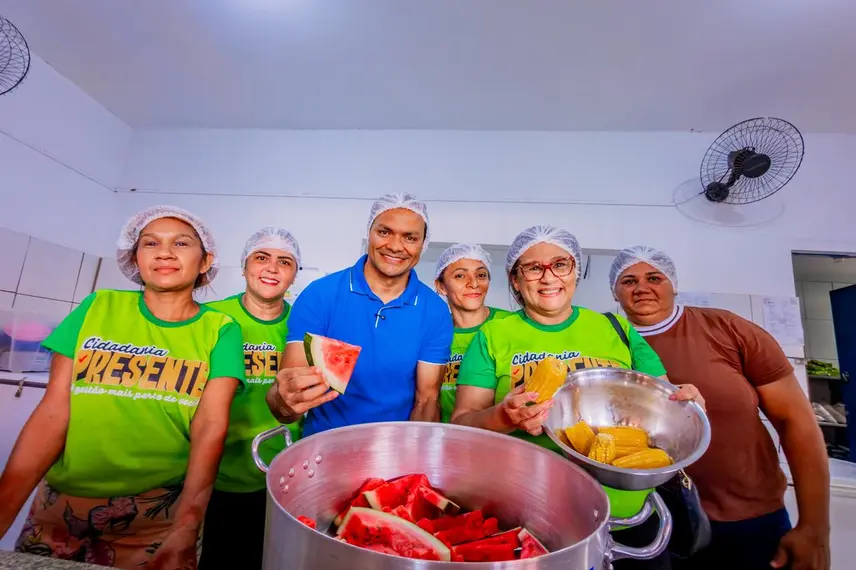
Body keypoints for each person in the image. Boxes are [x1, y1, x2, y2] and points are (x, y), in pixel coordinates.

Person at [0, 206, 245, 570]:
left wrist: (186, 526)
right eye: (150, 243)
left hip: (158, 515)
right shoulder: (98, 306)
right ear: (135, 257)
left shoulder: (221, 329)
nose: (164, 252)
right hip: (59, 506)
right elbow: (52, 413)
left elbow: (210, 428)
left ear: (205, 260)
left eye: (181, 242)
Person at [452, 225, 703, 570]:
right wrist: (504, 416)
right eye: (533, 267)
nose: (548, 277)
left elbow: (664, 402)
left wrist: (687, 405)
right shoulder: (493, 335)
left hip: (628, 512)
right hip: (531, 513)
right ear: (515, 279)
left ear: (575, 271)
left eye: (560, 264)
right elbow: (462, 422)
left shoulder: (617, 328)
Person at [610, 245, 831, 570]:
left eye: (654, 277)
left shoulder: (727, 329)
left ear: (673, 283)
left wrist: (814, 528)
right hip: (649, 520)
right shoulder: (606, 343)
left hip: (749, 521)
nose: (642, 287)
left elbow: (795, 421)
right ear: (615, 292)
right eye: (628, 281)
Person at [265, 193, 453, 436]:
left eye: (410, 237)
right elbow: (288, 396)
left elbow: (426, 400)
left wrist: (415, 460)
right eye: (384, 232)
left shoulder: (435, 311)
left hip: (395, 450)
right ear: (369, 233)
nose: (395, 246)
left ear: (423, 244)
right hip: (325, 446)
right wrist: (283, 400)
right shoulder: (320, 295)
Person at [199, 227, 303, 570]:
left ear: (294, 274)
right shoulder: (210, 318)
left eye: (284, 262)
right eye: (262, 258)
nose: (272, 268)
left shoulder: (304, 328)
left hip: (281, 477)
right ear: (244, 267)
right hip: (210, 474)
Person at [433, 243, 511, 423]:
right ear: (441, 286)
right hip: (446, 438)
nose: (474, 283)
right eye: (460, 276)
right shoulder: (433, 333)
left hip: (502, 438)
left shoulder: (509, 325)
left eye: (481, 275)